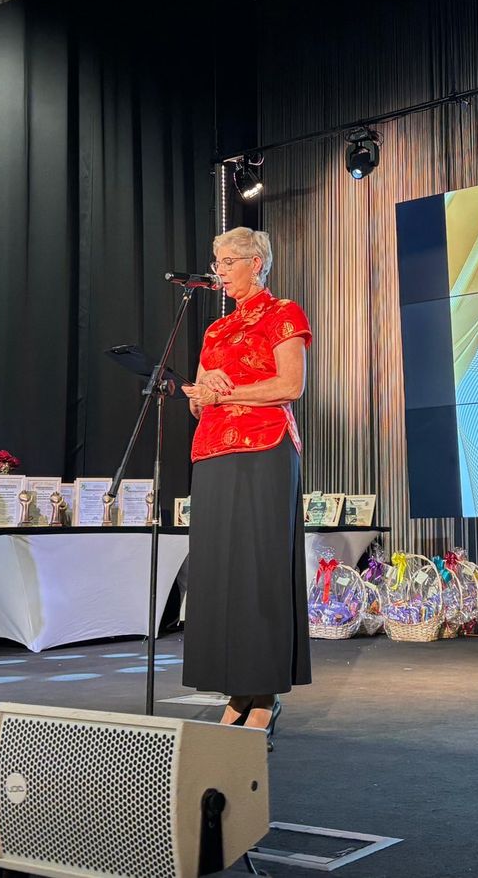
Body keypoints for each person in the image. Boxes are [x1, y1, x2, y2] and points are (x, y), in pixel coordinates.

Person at [180, 227, 312, 746]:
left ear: (256, 263)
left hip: (264, 449)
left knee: (259, 570)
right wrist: (202, 393)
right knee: (220, 574)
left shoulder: (284, 312)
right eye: (216, 262)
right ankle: (236, 691)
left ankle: (263, 695)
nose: (220, 271)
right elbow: (198, 402)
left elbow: (290, 385)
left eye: (228, 262)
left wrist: (228, 393)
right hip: (214, 452)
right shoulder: (216, 330)